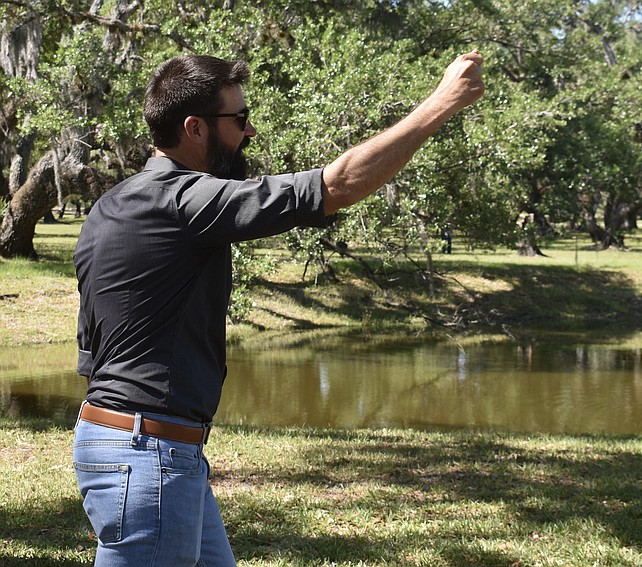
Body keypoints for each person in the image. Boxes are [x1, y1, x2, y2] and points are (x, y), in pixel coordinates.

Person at [72, 50, 484, 566]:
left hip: (135, 446)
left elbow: (92, 353)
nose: (248, 133)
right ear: (195, 128)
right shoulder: (185, 202)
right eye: (239, 120)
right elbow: (334, 187)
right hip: (148, 452)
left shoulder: (111, 207)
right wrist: (441, 104)